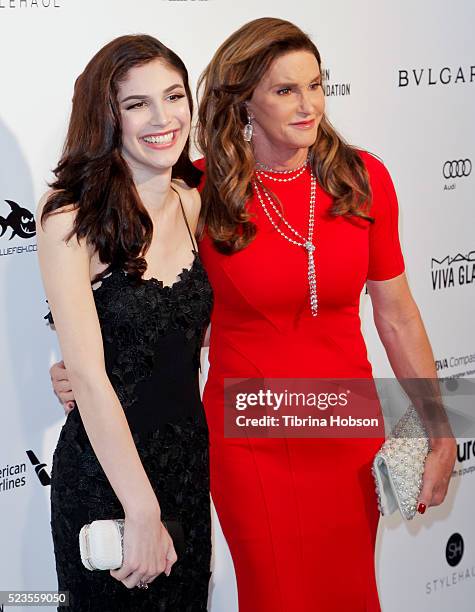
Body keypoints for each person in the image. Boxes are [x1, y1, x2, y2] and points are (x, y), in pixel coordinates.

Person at [50, 18, 456, 612]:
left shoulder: (363, 178)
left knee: (352, 595)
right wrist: (85, 367)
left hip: (346, 423)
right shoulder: (203, 188)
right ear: (245, 100)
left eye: (315, 85)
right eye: (285, 90)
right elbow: (145, 293)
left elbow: (397, 315)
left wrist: (441, 427)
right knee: (277, 595)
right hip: (252, 429)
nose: (308, 104)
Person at [37, 34, 212, 611]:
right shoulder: (70, 220)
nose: (163, 118)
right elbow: (87, 376)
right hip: (107, 479)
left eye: (174, 96)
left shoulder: (193, 204)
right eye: (137, 104)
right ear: (106, 118)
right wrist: (140, 508)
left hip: (187, 469)